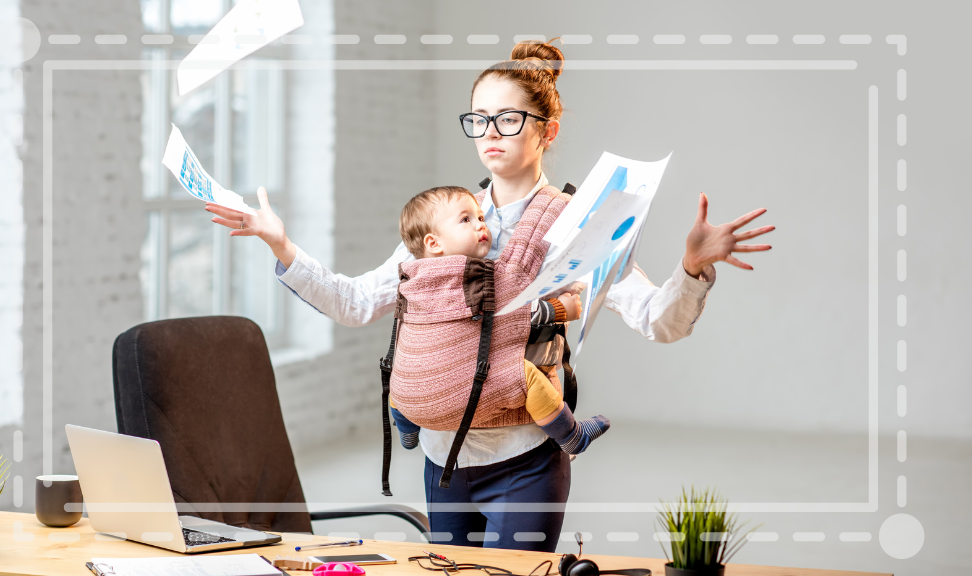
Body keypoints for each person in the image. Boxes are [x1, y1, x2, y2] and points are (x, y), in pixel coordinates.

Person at [205, 39, 774, 553]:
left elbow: (660, 321)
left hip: (525, 460)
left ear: (546, 131)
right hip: (443, 460)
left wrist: (692, 267)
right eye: (479, 120)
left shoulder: (579, 224)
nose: (490, 133)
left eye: (507, 118)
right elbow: (355, 303)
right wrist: (281, 246)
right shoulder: (445, 221)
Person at [389, 185, 610, 455]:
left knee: (402, 371)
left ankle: (407, 431)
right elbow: (511, 314)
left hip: (411, 403)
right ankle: (571, 435)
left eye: (481, 217)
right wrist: (560, 309)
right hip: (458, 401)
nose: (480, 225)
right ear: (433, 243)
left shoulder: (410, 280)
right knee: (528, 376)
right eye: (465, 220)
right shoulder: (472, 275)